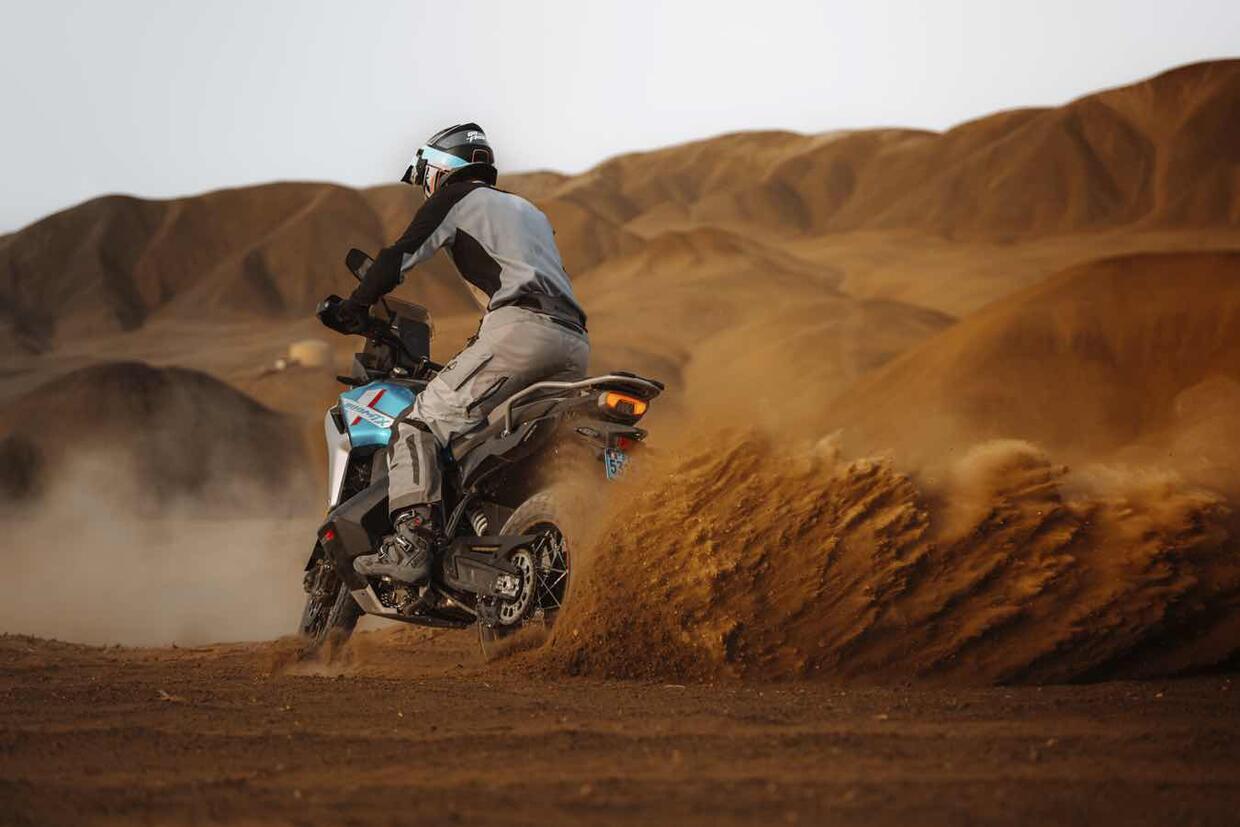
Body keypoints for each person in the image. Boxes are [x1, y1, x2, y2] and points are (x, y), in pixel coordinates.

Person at [327, 123, 589, 586]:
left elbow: (397, 258)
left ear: (439, 167)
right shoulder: (529, 211)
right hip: (573, 341)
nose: (425, 186)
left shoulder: (456, 198)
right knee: (486, 439)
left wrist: (354, 306)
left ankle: (412, 541)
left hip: (520, 333)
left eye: (424, 175)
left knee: (418, 424)